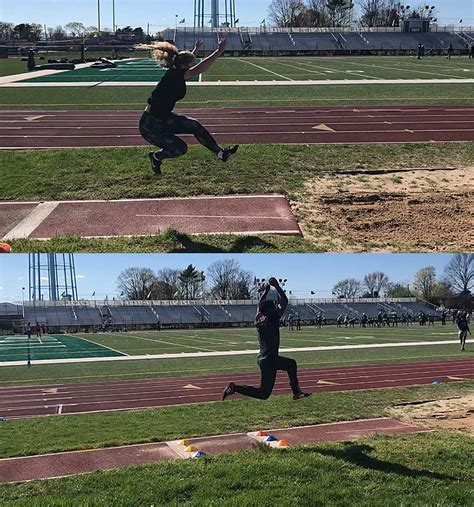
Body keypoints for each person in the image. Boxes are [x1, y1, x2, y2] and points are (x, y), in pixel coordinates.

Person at [138, 36, 238, 174]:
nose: (194, 63)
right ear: (186, 65)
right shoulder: (176, 75)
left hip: (164, 118)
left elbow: (186, 62)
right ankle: (156, 157)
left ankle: (221, 154)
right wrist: (218, 51)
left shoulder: (177, 69)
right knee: (180, 149)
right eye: (193, 62)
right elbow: (199, 69)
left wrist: (195, 50)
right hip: (150, 125)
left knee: (195, 125)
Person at [222, 278, 311, 401]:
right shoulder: (272, 318)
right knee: (265, 392)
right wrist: (277, 286)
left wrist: (266, 291)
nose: (275, 308)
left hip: (263, 358)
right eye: (273, 307)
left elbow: (260, 305)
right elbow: (284, 301)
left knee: (289, 366)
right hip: (270, 359)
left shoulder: (258, 318)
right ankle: (235, 388)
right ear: (270, 310)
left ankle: (297, 392)